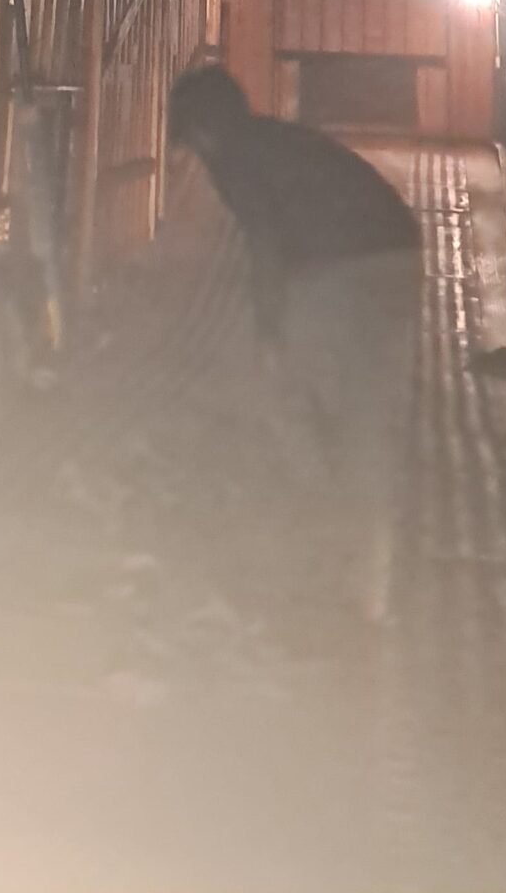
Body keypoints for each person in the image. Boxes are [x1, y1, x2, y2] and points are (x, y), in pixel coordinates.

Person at [167, 62, 420, 621]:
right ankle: (369, 557)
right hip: (394, 251)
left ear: (203, 132)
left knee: (290, 388)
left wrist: (269, 330)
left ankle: (320, 516)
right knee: (365, 396)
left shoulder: (235, 157)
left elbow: (266, 243)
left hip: (343, 263)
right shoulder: (274, 139)